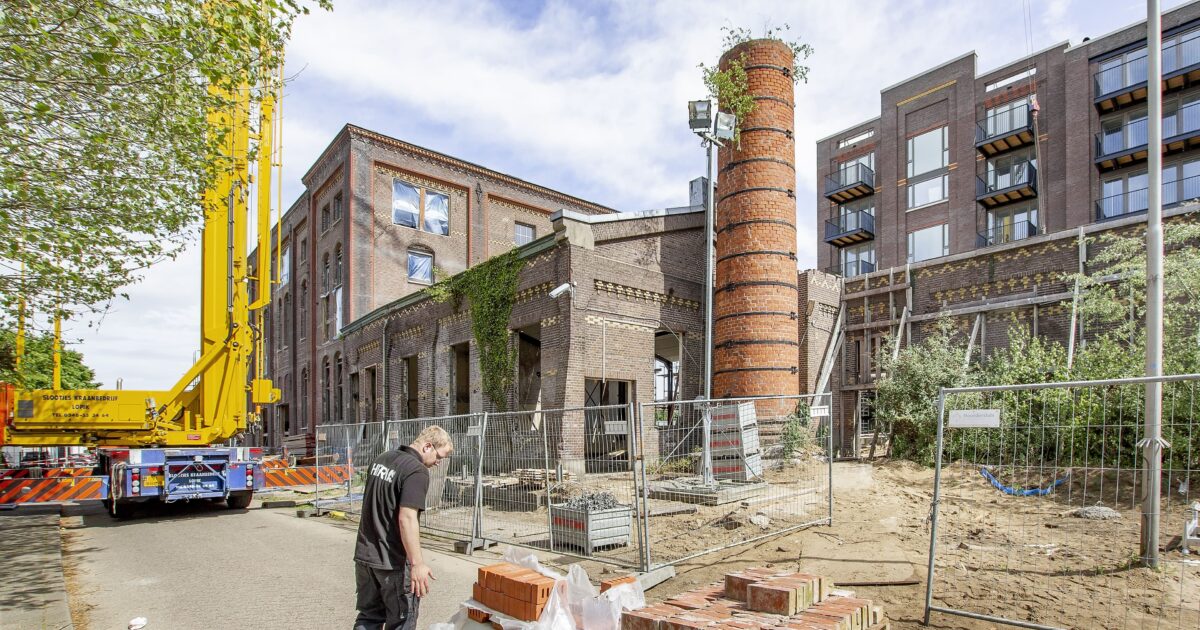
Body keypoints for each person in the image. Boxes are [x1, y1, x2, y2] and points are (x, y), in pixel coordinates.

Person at [353, 425, 454, 630]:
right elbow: (407, 518)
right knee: (402, 621)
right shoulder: (416, 471)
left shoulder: (383, 458)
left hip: (366, 556)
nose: (437, 463)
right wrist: (417, 564)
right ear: (427, 446)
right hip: (392, 562)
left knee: (369, 617)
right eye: (439, 456)